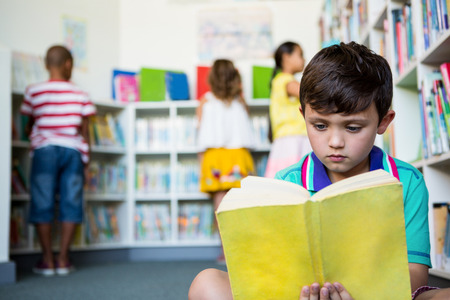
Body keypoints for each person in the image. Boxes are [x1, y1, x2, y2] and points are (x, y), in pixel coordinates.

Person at [188, 42, 436, 300]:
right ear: (303, 115)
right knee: (207, 283)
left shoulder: (407, 181)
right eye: (319, 125)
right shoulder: (287, 183)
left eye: (352, 128)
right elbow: (273, 270)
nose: (335, 141)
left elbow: (415, 276)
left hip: (377, 297)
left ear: (383, 121)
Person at [20, 45, 96, 276]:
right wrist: (87, 162)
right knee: (70, 203)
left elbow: (28, 126)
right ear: (68, 65)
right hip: (72, 152)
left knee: (42, 202)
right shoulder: (80, 94)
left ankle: (47, 260)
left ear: (46, 65)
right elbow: (85, 132)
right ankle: (63, 259)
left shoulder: (33, 91)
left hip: (44, 151)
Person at [197, 59, 255, 262]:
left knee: (219, 206)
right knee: (241, 204)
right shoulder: (240, 102)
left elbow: (200, 130)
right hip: (238, 155)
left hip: (215, 157)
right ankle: (242, 250)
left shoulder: (205, 101)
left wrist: (200, 162)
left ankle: (226, 252)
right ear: (235, 78)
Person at [264, 41, 311, 178]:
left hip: (290, 140)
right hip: (293, 140)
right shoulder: (285, 80)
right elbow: (309, 94)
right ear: (286, 57)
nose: (304, 59)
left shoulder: (279, 80)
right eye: (300, 55)